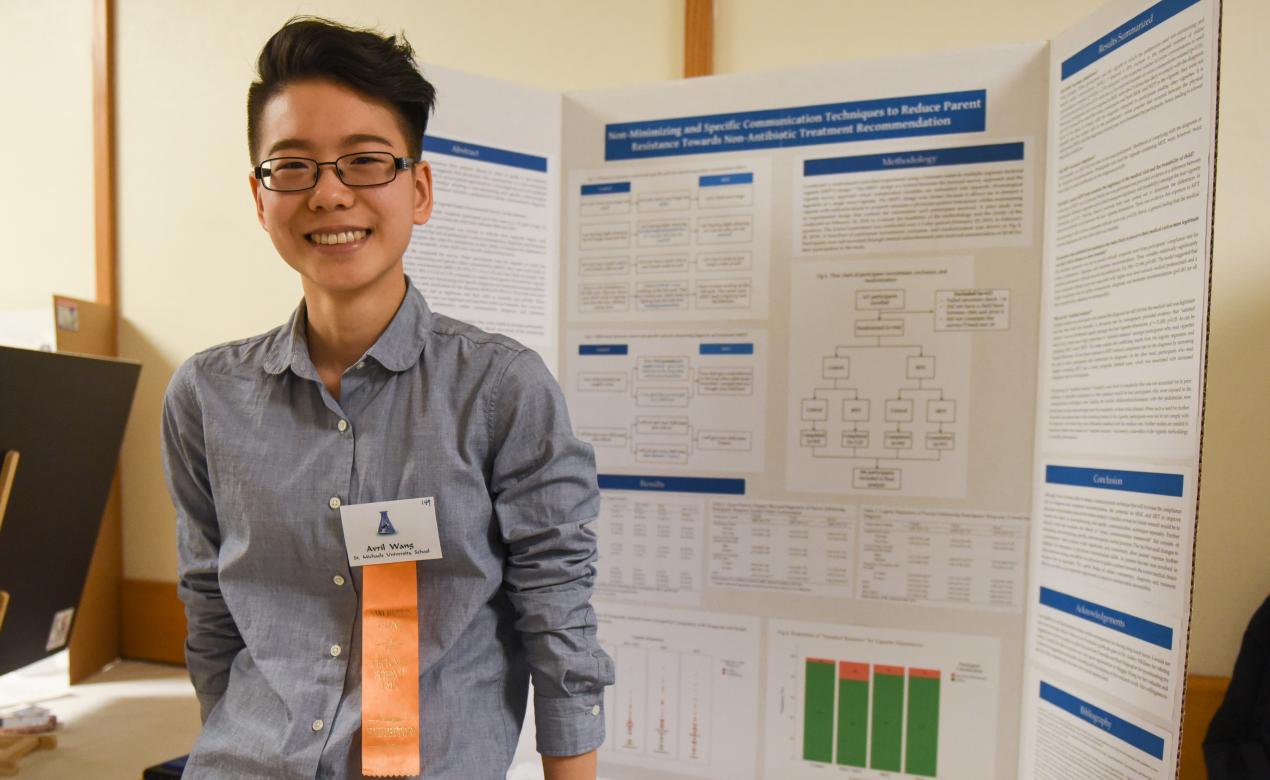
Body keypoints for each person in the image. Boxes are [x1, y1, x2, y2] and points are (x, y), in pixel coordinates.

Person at [161, 17, 612, 780]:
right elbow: (210, 609)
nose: (329, 193)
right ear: (259, 195)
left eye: (364, 162)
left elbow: (558, 617)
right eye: (293, 167)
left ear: (420, 188)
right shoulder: (206, 395)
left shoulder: (502, 390)